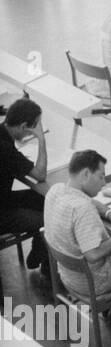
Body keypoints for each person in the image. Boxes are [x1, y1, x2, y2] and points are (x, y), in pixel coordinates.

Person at [43, 149, 111, 303]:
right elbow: (93, 255)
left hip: (68, 276)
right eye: (101, 176)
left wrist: (110, 213)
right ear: (86, 174)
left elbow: (89, 201)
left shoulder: (56, 190)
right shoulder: (83, 209)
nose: (104, 183)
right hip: (95, 282)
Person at [0, 97, 49, 281]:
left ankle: (38, 252)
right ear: (23, 127)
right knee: (51, 217)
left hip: (4, 198)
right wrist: (41, 138)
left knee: (43, 199)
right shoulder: (5, 149)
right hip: (2, 212)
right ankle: (48, 268)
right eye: (34, 127)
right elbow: (40, 175)